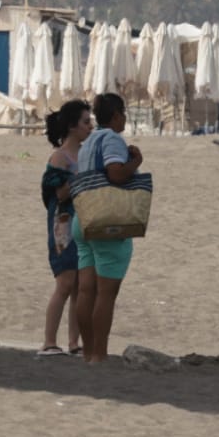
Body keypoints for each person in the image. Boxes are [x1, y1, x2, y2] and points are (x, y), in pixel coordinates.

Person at [72, 92, 144, 364]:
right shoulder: (112, 139)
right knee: (106, 293)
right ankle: (99, 353)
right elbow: (115, 172)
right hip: (107, 222)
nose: (125, 118)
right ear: (115, 115)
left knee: (85, 291)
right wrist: (136, 162)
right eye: (123, 113)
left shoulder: (88, 141)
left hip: (84, 218)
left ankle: (88, 352)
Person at [36, 99, 92, 358]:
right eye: (85, 122)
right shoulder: (60, 157)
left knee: (81, 284)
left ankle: (73, 342)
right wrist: (80, 179)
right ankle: (49, 341)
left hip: (84, 224)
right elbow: (57, 195)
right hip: (63, 226)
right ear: (72, 126)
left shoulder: (87, 154)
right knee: (65, 283)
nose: (90, 126)